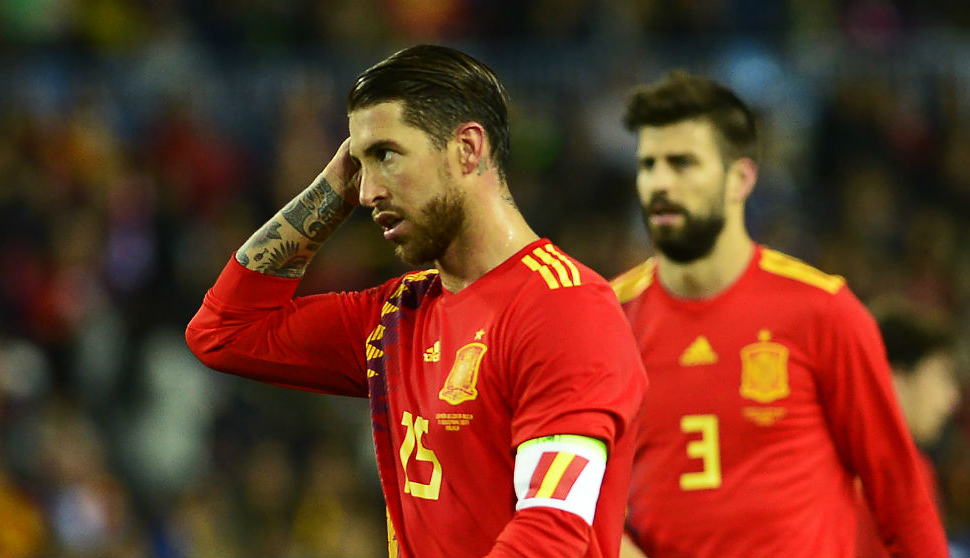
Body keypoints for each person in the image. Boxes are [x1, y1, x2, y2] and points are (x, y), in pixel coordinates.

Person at [186, 44, 647, 558]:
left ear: (468, 149)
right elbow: (223, 332)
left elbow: (551, 530)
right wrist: (330, 189)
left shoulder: (565, 309)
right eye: (358, 164)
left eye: (386, 154)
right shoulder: (397, 316)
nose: (367, 192)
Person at [609, 70, 948, 557]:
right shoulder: (608, 319)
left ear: (741, 178)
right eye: (648, 165)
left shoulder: (822, 311)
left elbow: (902, 498)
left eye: (682, 164)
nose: (659, 183)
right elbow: (573, 491)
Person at [855, 303, 962, 557]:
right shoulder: (909, 472)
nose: (951, 398)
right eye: (941, 376)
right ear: (896, 378)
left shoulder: (825, 458)